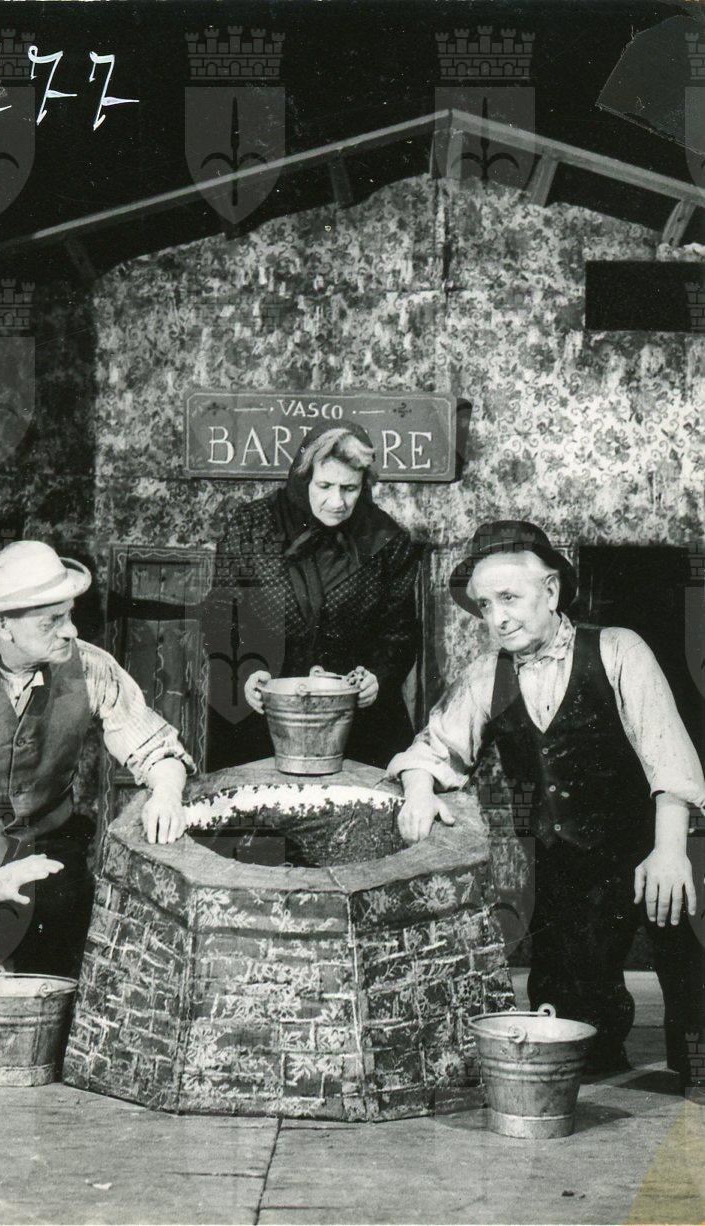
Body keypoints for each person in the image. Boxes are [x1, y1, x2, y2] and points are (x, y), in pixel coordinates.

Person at [388, 520, 705, 1083]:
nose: (497, 618)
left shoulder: (618, 649)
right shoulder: (486, 675)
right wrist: (417, 789)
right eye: (486, 605)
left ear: (552, 591)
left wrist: (669, 852)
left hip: (649, 846)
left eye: (509, 598)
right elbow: (433, 749)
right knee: (575, 1041)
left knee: (689, 976)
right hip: (564, 869)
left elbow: (671, 761)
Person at [0, 540, 193, 1058]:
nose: (70, 631)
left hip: (40, 848)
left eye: (69, 615)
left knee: (53, 1034)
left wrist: (166, 790)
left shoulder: (92, 667)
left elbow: (155, 748)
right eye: (52, 621)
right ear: (3, 624)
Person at [202, 421, 420, 771]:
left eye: (349, 488)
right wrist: (247, 674)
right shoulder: (251, 527)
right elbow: (220, 617)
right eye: (325, 486)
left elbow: (401, 633)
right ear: (304, 478)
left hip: (356, 721)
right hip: (261, 714)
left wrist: (377, 678)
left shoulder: (387, 540)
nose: (337, 502)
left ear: (364, 484)